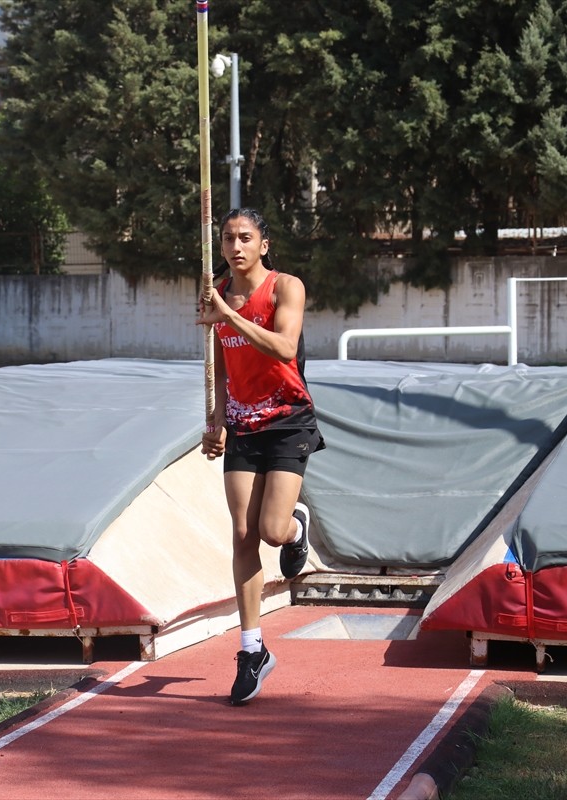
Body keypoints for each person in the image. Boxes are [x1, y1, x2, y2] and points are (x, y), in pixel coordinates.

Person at [197, 207, 324, 706]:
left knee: (271, 530)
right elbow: (222, 368)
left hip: (289, 417)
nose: (235, 246)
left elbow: (285, 347)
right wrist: (216, 421)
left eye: (245, 237)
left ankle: (296, 527)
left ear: (263, 245)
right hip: (244, 424)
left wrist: (228, 313)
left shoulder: (286, 287)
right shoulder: (215, 294)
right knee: (243, 533)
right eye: (228, 238)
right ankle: (252, 649)